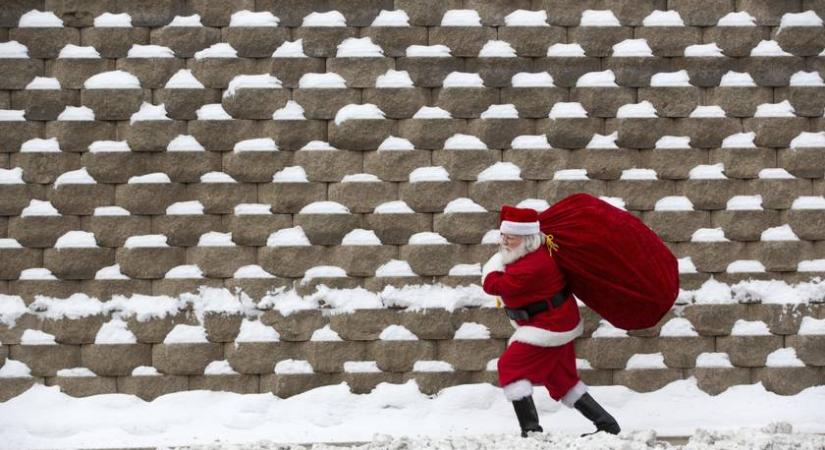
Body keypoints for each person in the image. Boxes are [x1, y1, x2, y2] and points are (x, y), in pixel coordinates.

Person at [481, 205, 620, 437]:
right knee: (562, 379)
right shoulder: (531, 251)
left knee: (510, 367)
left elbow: (495, 285)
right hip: (556, 321)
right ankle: (607, 424)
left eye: (511, 237)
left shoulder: (533, 266)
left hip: (549, 326)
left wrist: (492, 266)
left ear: (527, 239)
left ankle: (531, 430)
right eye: (503, 235)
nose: (504, 241)